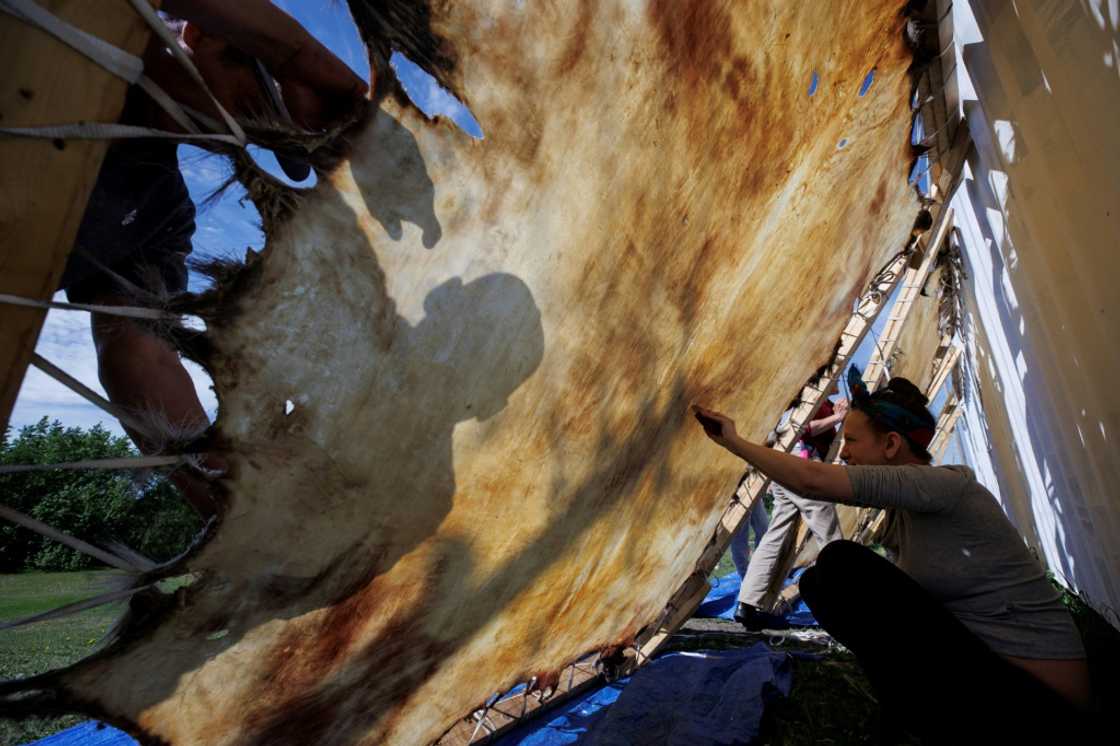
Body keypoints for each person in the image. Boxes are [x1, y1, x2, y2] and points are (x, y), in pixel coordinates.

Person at [56, 1, 368, 518]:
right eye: (250, 104)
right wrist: (295, 54)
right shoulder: (71, 28)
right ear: (202, 33)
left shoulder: (162, 213)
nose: (240, 133)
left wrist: (235, 505)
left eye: (261, 129)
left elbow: (140, 354)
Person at [692, 367, 1095, 743]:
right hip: (992, 679)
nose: (843, 453)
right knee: (818, 582)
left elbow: (812, 480)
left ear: (890, 444)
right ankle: (914, 719)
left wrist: (734, 441)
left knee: (841, 564)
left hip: (1042, 703)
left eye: (851, 440)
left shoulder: (942, 485)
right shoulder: (906, 514)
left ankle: (914, 719)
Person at [733, 381, 849, 631]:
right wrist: (837, 418)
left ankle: (747, 604)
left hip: (785, 468)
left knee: (775, 536)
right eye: (836, 374)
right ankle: (846, 606)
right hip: (802, 469)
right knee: (830, 535)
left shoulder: (821, 402)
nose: (838, 379)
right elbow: (801, 429)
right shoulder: (807, 397)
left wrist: (837, 415)